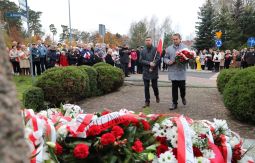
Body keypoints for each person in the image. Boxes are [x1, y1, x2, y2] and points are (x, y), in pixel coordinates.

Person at [164, 33, 188, 110]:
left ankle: (183, 96)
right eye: (173, 39)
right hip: (173, 71)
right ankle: (174, 103)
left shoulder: (185, 48)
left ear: (180, 39)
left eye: (176, 39)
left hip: (181, 71)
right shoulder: (169, 48)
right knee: (174, 88)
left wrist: (185, 59)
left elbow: (189, 58)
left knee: (182, 88)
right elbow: (165, 58)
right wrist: (168, 62)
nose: (175, 41)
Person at [140, 36, 160, 107]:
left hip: (154, 71)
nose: (147, 41)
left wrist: (154, 63)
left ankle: (157, 95)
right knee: (146, 87)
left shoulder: (156, 49)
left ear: (151, 41)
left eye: (149, 40)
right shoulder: (142, 50)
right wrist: (149, 63)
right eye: (146, 40)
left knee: (154, 86)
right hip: (146, 71)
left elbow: (158, 58)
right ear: (145, 41)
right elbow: (141, 60)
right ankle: (147, 101)